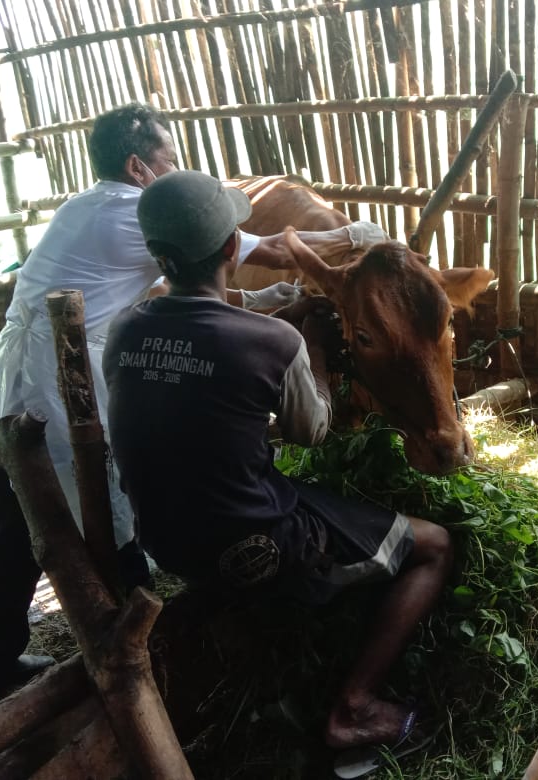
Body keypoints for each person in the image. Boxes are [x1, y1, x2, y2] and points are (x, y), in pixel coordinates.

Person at [0, 103, 390, 705]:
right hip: (55, 391)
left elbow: (174, 288)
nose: (177, 169)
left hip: (11, 385)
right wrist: (349, 237)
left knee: (8, 534)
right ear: (138, 167)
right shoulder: (137, 214)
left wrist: (258, 300)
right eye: (170, 159)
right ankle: (142, 672)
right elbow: (254, 247)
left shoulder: (88, 207)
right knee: (111, 523)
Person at [101, 170, 453, 751]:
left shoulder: (124, 328)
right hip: (256, 545)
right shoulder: (272, 342)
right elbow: (313, 432)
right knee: (435, 545)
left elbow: (197, 376)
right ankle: (354, 707)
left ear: (157, 255)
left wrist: (266, 305)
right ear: (231, 248)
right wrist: (309, 346)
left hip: (162, 542)